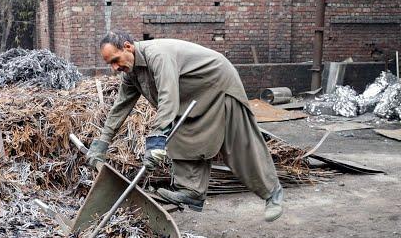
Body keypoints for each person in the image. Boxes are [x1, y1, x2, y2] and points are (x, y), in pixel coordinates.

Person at [86, 30, 284, 222]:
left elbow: (168, 97)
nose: (114, 68)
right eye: (109, 64)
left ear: (128, 47)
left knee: (239, 142)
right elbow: (121, 106)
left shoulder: (158, 55)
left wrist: (156, 140)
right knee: (181, 132)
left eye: (114, 60)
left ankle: (272, 193)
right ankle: (192, 191)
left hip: (218, 82)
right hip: (193, 96)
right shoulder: (131, 73)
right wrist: (103, 142)